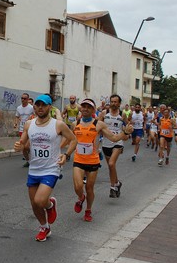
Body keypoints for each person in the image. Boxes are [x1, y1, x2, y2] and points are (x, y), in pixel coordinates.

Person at [14, 94, 77, 241]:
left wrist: (66, 155)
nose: (40, 107)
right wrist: (20, 146)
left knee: (40, 201)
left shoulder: (58, 125)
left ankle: (49, 204)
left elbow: (73, 139)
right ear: (34, 107)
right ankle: (44, 226)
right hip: (34, 169)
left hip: (51, 169)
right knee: (34, 205)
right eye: (38, 105)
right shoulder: (29, 124)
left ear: (50, 107)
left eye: (44, 105)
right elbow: (23, 142)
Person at [72, 98, 133, 222]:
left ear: (93, 110)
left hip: (92, 161)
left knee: (89, 188)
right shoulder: (75, 123)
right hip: (78, 159)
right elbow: (71, 140)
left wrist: (125, 132)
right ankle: (81, 197)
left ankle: (88, 210)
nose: (85, 109)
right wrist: (65, 154)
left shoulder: (99, 124)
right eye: (83, 106)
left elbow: (114, 138)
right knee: (78, 186)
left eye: (88, 107)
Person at [98, 94, 129, 199]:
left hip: (118, 143)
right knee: (111, 167)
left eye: (116, 102)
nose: (113, 104)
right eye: (112, 102)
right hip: (106, 143)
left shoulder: (123, 115)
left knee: (111, 164)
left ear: (119, 103)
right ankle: (117, 183)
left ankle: (112, 188)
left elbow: (127, 128)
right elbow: (97, 127)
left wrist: (126, 134)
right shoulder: (104, 113)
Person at [15, 93, 34, 167]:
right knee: (23, 147)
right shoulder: (19, 108)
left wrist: (31, 118)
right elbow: (17, 116)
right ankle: (29, 161)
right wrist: (16, 123)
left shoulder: (31, 108)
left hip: (30, 129)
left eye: (24, 98)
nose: (23, 100)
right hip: (21, 129)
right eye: (22, 98)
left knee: (26, 146)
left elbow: (36, 116)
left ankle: (33, 157)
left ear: (28, 99)